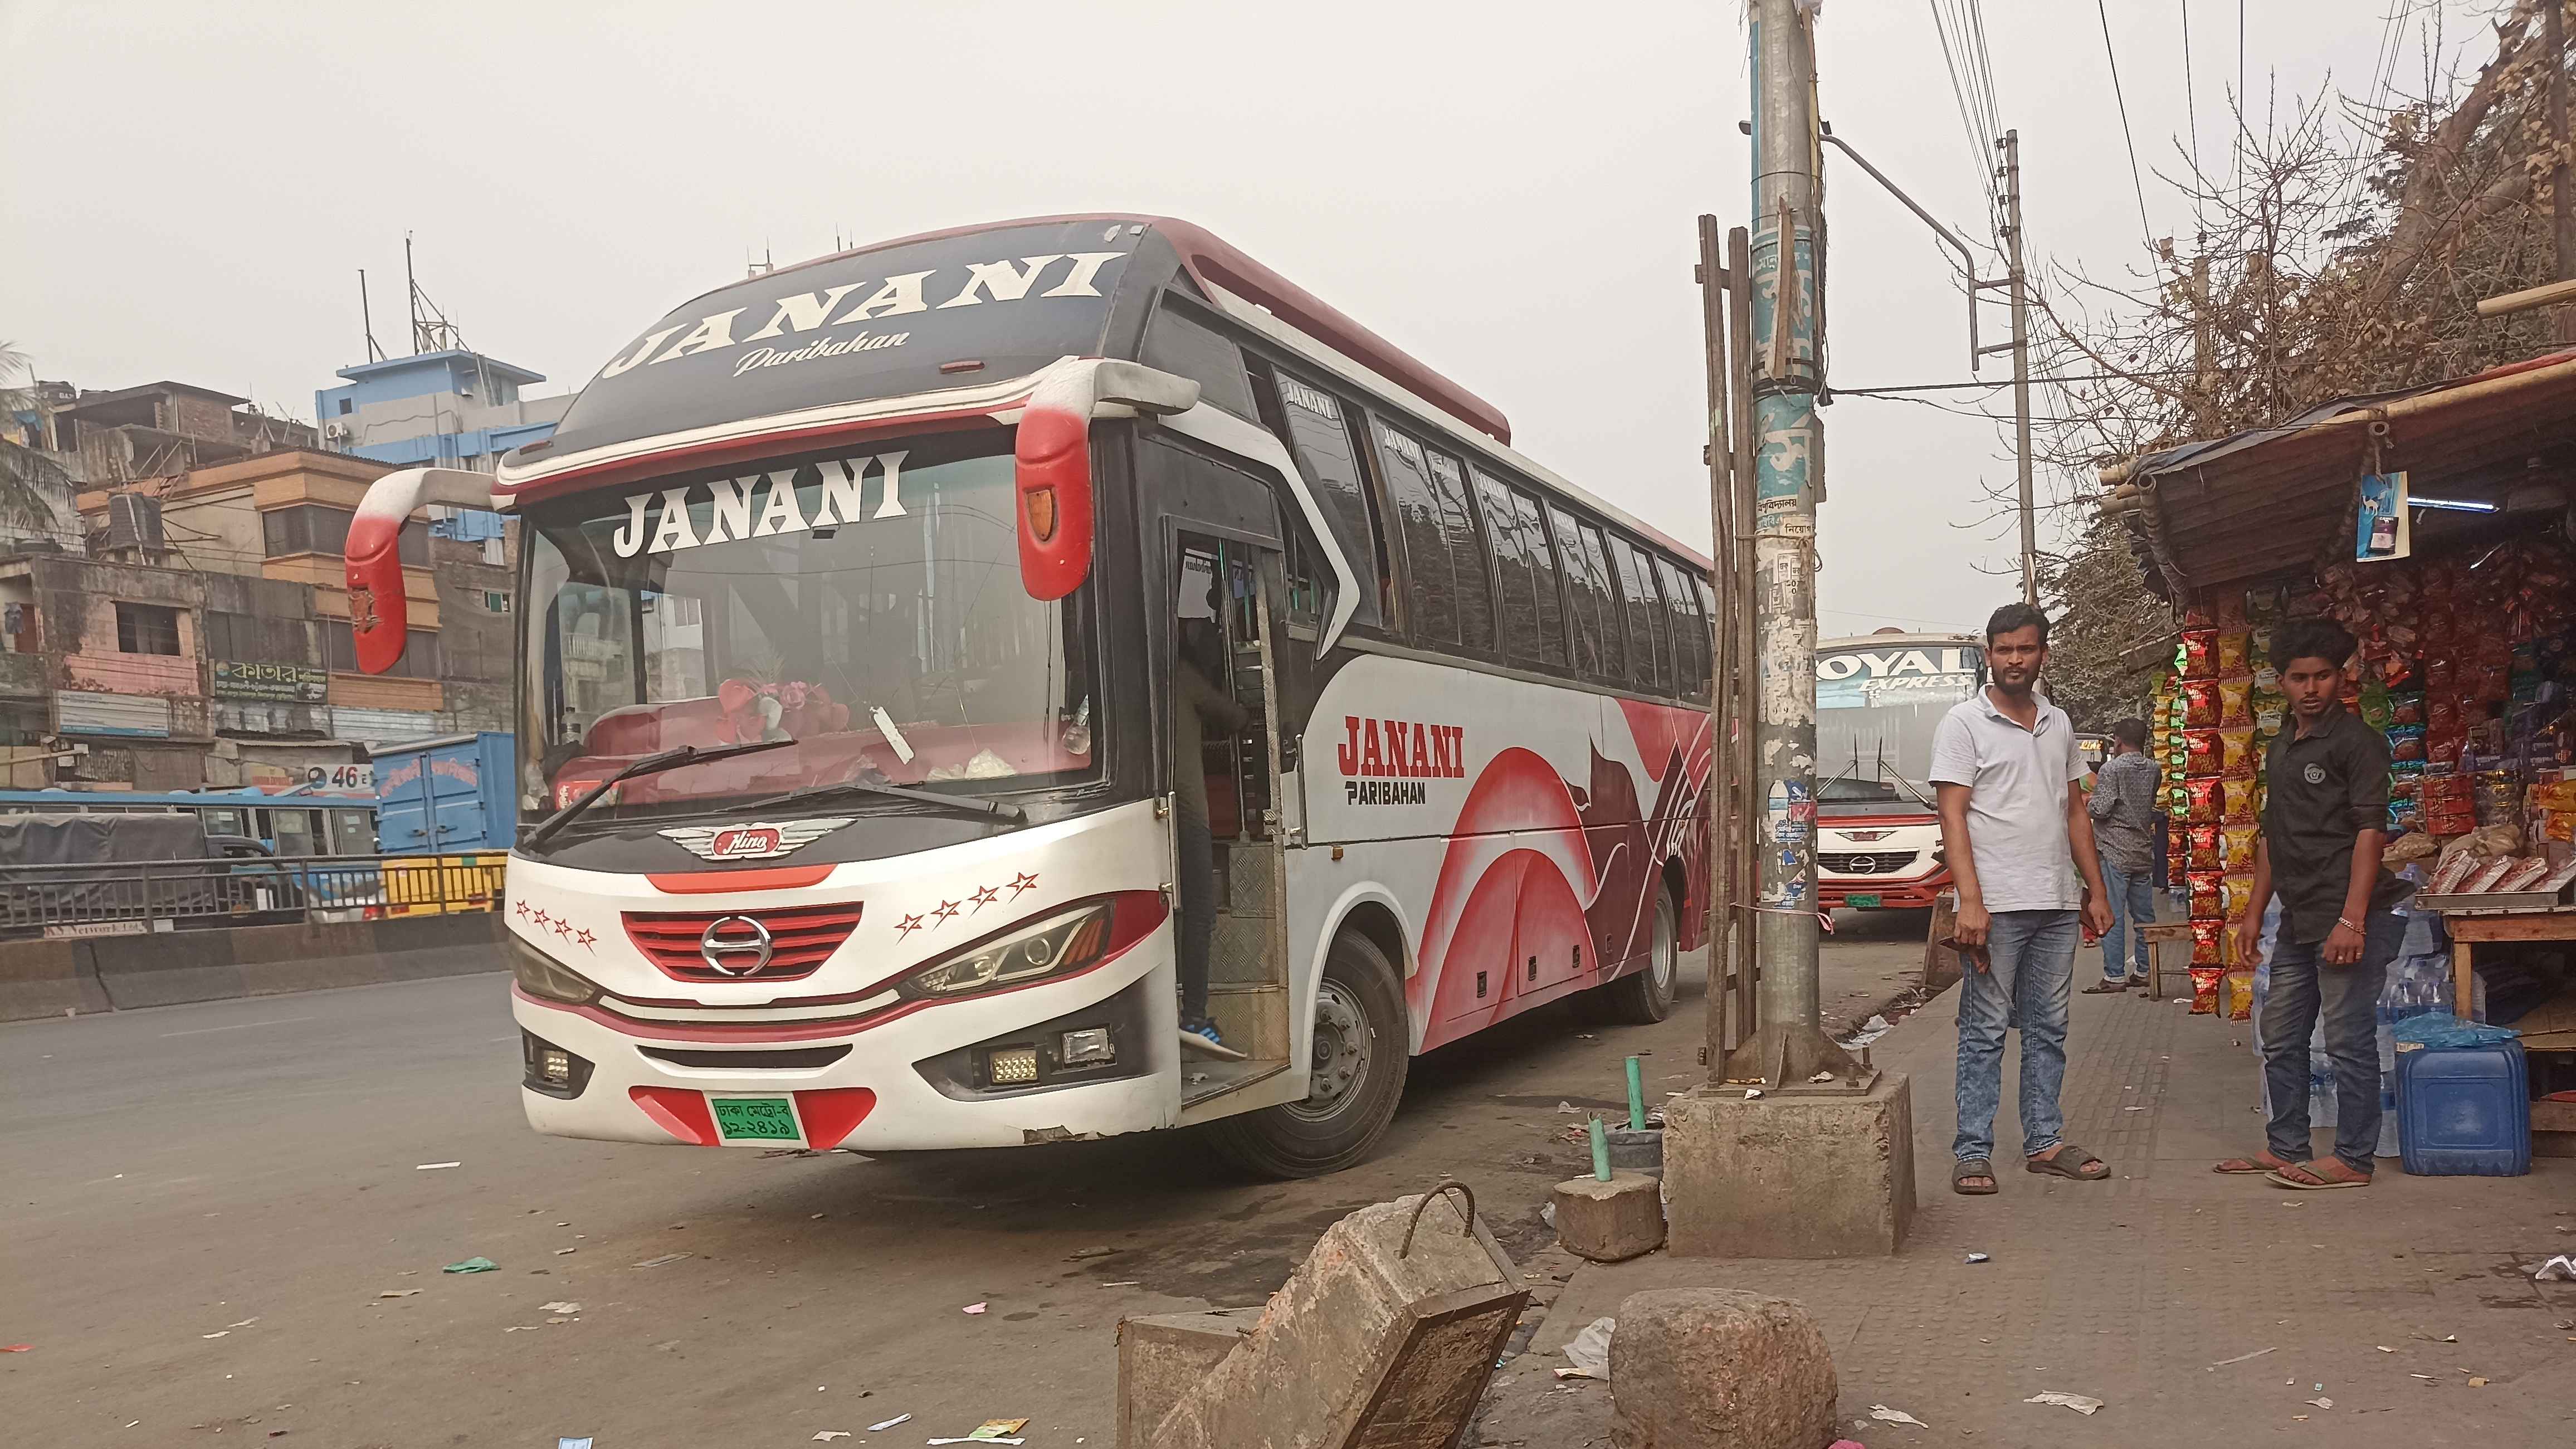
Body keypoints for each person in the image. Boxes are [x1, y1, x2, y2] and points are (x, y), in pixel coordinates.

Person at [2217, 618, 2413, 1189]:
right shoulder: (2282, 744)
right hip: (2300, 918)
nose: (2310, 689)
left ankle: (2353, 1159)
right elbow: (2275, 834)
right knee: (2281, 1036)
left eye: (2321, 677)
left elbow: (2370, 834)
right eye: (2299, 678)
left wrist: (2352, 919)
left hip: (2350, 915)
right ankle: (2287, 1147)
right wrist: (2253, 912)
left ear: (2341, 677)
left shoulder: (2358, 744)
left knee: (2347, 1039)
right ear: (2280, 681)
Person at [1930, 602, 2117, 1196]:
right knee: (1984, 1029)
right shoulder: (1962, 723)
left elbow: (2076, 812)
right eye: (2005, 649)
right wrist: (1970, 901)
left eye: (2026, 649)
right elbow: (1952, 816)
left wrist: (2094, 890)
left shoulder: (2058, 724)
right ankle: (1972, 1151)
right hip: (1996, 906)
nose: (2015, 659)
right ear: (1989, 655)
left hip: (2057, 904)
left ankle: (2044, 1142)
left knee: (2048, 1028)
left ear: (2043, 654)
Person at [1172, 609, 1248, 1051]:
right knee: (1200, 915)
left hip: (1145, 816)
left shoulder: (1132, 683)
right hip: (1189, 817)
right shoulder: (1185, 678)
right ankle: (1195, 1017)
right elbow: (1235, 718)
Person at [2084, 718, 2161, 992]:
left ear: (2117, 741)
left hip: (2115, 852)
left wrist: (2087, 803)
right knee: (2144, 917)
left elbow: (2101, 810)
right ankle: (2145, 970)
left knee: (2111, 914)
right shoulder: (2154, 768)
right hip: (2142, 851)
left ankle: (2114, 975)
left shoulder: (2111, 769)